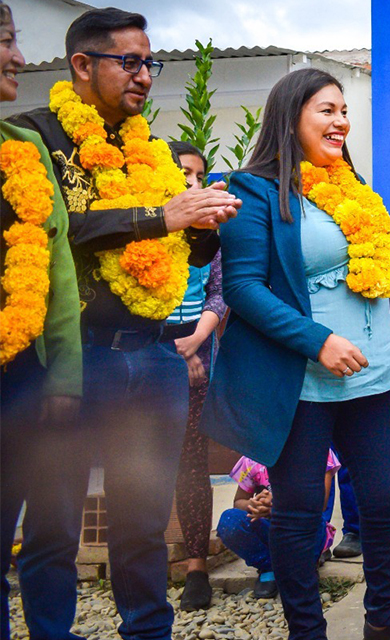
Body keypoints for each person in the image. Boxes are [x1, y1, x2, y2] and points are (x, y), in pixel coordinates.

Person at [8, 7, 236, 638]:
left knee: (141, 523)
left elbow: (182, 256)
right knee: (54, 524)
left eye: (149, 63)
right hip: (74, 360)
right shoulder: (34, 141)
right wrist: (159, 216)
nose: (144, 76)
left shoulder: (155, 150)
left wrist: (205, 226)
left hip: (155, 356)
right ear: (82, 64)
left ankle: (147, 632)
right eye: (129, 62)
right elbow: (53, 236)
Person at [204, 68, 390, 640]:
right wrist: (318, 341)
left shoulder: (350, 183)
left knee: (384, 498)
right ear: (290, 116)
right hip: (300, 377)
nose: (341, 122)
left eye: (344, 110)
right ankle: (307, 630)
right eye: (326, 110)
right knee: (300, 510)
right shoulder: (251, 191)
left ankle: (384, 617)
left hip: (373, 370)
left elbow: (370, 258)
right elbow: (244, 288)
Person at [0, 2, 82, 637]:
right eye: (5, 42)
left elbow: (57, 273)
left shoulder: (23, 150)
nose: (19, 58)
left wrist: (63, 381)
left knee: (53, 527)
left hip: (29, 377)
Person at [166, 141, 229, 611]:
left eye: (198, 175)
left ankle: (196, 568)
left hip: (198, 349)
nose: (193, 183)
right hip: (147, 349)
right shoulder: (147, 226)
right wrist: (169, 347)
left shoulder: (209, 233)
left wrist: (195, 343)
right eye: (184, 174)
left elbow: (219, 293)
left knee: (192, 460)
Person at [217, 451, 341, 600]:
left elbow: (319, 503)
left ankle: (302, 566)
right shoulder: (253, 457)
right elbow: (239, 502)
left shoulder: (317, 450)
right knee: (229, 520)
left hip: (303, 528)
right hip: (269, 529)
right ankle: (269, 566)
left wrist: (277, 507)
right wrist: (254, 505)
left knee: (313, 524)